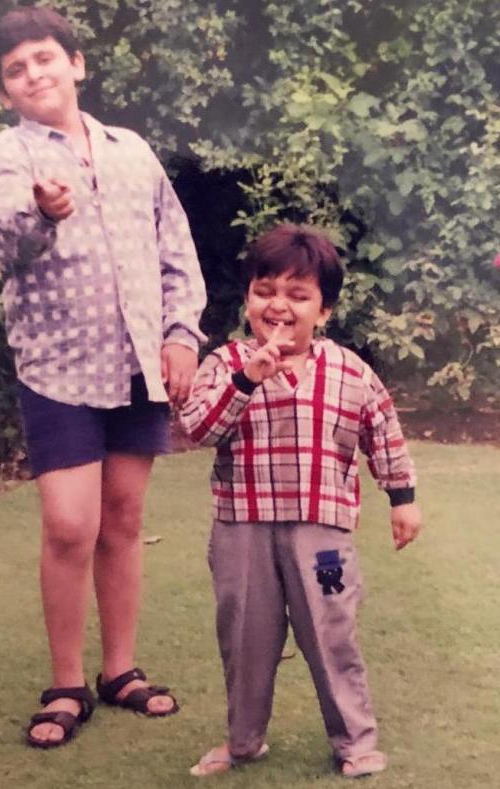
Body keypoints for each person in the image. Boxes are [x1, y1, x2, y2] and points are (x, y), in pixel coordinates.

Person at [0, 5, 206, 748]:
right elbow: (7, 241)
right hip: (58, 367)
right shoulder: (9, 159)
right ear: (5, 92)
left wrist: (180, 334)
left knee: (126, 518)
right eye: (15, 69)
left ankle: (120, 670)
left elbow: (176, 247)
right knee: (72, 523)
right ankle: (67, 681)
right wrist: (43, 212)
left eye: (44, 57)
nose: (33, 72)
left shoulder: (132, 150)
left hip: (139, 365)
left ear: (75, 64)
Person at [179, 223, 421, 778]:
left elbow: (382, 431)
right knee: (245, 637)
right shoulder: (226, 364)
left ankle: (356, 743)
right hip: (243, 527)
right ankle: (243, 742)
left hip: (323, 532)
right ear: (248, 298)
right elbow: (198, 427)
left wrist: (402, 498)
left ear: (325, 310)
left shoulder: (348, 370)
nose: (279, 306)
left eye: (298, 294)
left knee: (331, 632)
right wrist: (247, 380)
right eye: (265, 291)